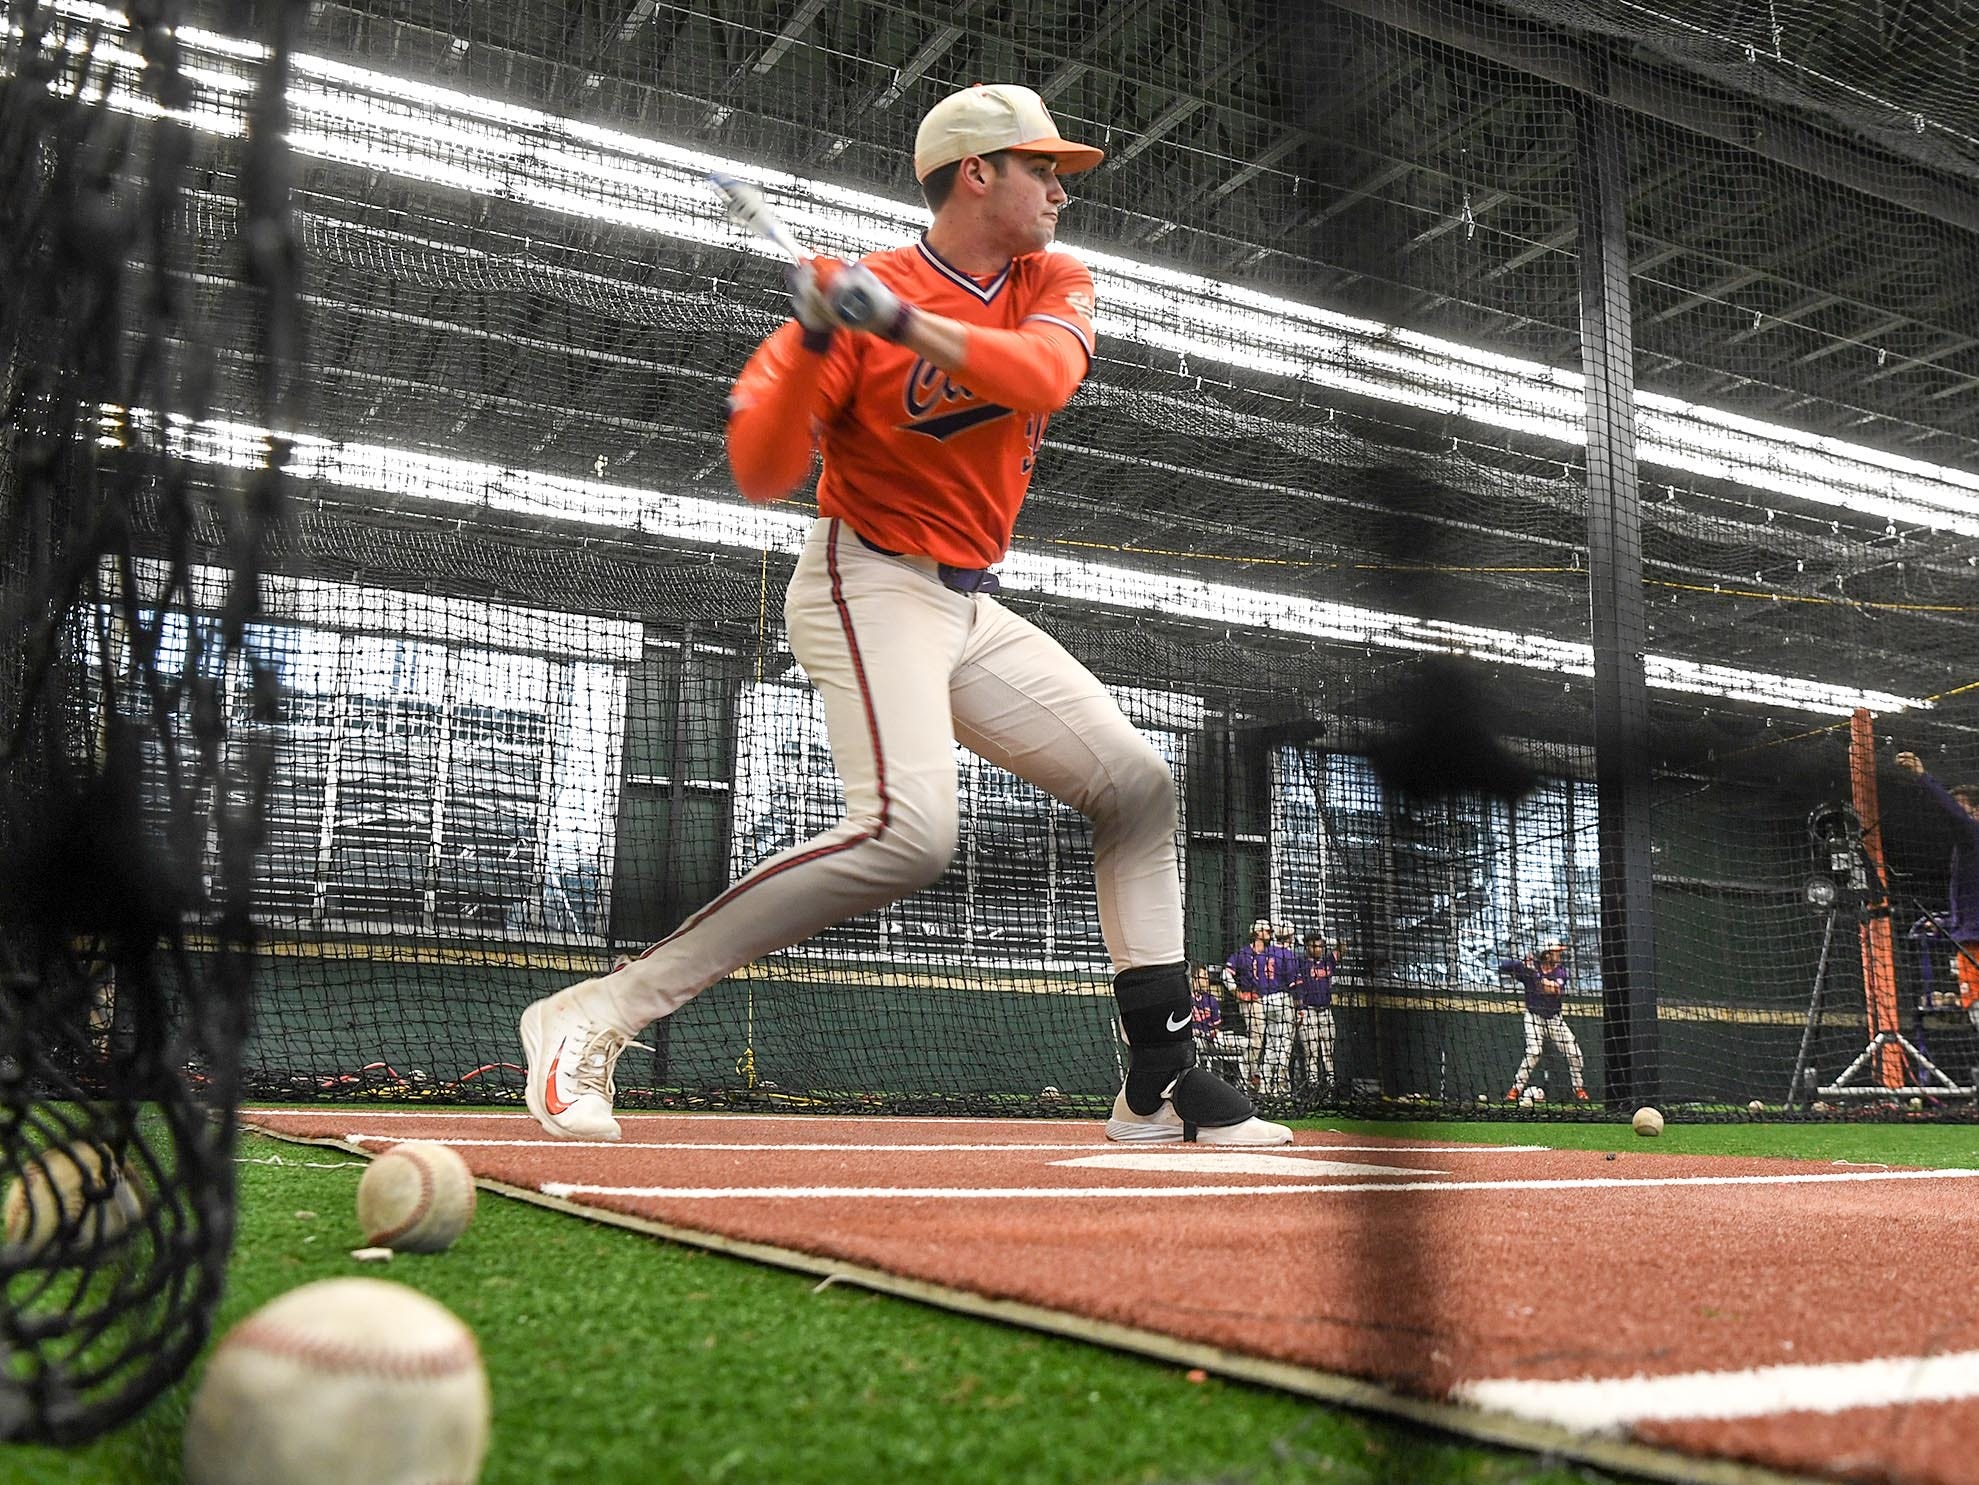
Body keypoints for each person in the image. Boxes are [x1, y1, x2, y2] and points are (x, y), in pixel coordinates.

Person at [518, 83, 1287, 1149]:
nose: (1059, 189)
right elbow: (762, 466)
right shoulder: (849, 301)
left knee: (1140, 790)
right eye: (1040, 168)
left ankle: (1155, 1083)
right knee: (907, 836)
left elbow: (1047, 376)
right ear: (977, 173)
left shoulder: (1045, 278)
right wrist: (815, 347)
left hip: (966, 605)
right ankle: (595, 1012)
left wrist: (895, 322)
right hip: (863, 580)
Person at [1894, 751, 1979, 1032]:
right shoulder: (1966, 849)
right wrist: (1945, 922)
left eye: (1962, 806)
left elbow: (1951, 813)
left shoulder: (1973, 837)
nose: (1955, 811)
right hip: (1969, 944)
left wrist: (1922, 776)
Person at [1499, 941, 1589, 1102]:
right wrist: (1522, 964)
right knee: (1534, 1052)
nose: (1559, 955)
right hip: (1533, 1017)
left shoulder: (1560, 971)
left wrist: (1535, 974)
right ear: (1546, 954)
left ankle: (1579, 1089)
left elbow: (1552, 989)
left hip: (1554, 1019)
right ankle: (1515, 1090)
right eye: (1555, 952)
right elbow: (1503, 966)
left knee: (1575, 1054)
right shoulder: (1531, 968)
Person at [1223, 917, 1282, 1092]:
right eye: (1267, 931)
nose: (1270, 934)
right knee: (1256, 1040)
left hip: (1270, 1000)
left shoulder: (1271, 953)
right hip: (1252, 1001)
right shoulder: (1243, 954)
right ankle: (1247, 1075)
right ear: (1257, 933)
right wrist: (1238, 993)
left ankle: (1259, 1077)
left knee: (1270, 1041)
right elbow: (1226, 974)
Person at [1292, 931, 1341, 1093]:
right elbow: (1297, 989)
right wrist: (1300, 1010)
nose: (1319, 949)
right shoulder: (1301, 964)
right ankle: (1313, 1086)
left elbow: (1341, 950)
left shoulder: (1327, 962)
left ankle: (1331, 1086)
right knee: (1311, 1052)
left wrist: (1339, 938)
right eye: (1316, 946)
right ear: (1308, 947)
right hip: (1309, 1011)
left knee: (1327, 1051)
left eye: (1321, 946)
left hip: (1326, 1011)